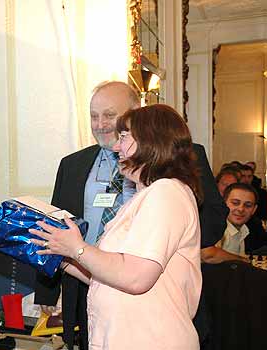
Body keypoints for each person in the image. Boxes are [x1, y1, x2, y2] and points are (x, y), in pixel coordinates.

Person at [34, 81, 228, 349]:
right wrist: (62, 257)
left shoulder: (165, 194)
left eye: (124, 137)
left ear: (150, 142)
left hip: (151, 335)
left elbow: (136, 278)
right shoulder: (145, 196)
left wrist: (77, 249)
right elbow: (113, 272)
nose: (116, 147)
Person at [34, 81, 140, 349]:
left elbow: (209, 220)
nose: (100, 124)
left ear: (135, 113)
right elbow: (54, 226)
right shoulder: (72, 165)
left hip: (144, 286)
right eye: (94, 116)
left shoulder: (171, 158)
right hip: (83, 282)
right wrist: (47, 288)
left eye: (109, 115)